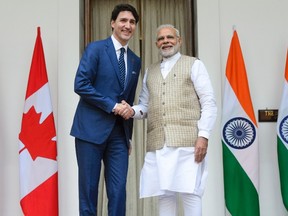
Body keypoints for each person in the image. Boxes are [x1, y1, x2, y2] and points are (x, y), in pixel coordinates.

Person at [117, 24, 217, 216]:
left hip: (188, 142)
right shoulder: (150, 71)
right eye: (161, 39)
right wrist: (131, 110)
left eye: (170, 37)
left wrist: (203, 136)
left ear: (179, 41)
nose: (166, 41)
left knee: (191, 193)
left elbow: (209, 103)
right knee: (164, 195)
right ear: (156, 44)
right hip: (158, 144)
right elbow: (144, 106)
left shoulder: (194, 64)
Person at [70, 4, 141, 216]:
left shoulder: (135, 60)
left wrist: (128, 137)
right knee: (89, 193)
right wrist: (111, 105)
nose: (127, 25)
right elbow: (81, 84)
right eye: (123, 20)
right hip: (89, 132)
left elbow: (127, 100)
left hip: (119, 136)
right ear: (113, 23)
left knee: (119, 192)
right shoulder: (96, 49)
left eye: (132, 22)